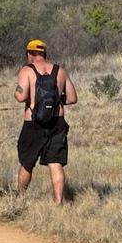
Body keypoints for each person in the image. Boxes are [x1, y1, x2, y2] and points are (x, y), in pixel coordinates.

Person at [13, 39, 77, 204]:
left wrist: (19, 91)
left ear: (29, 54)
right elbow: (72, 98)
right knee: (55, 163)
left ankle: (20, 199)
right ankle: (58, 202)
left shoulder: (26, 70)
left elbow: (20, 97)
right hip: (57, 122)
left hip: (33, 123)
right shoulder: (60, 71)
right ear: (44, 53)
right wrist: (56, 101)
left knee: (27, 162)